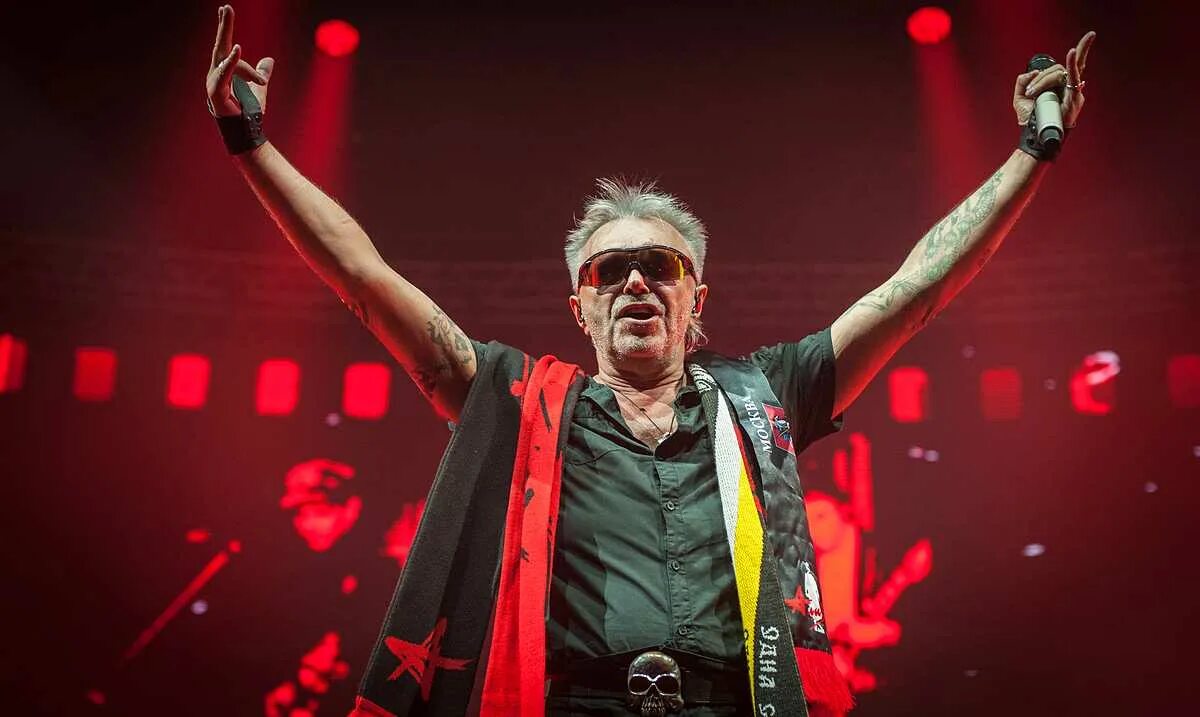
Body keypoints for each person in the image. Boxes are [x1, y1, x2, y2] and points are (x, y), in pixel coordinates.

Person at [204, 5, 1095, 715]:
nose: (635, 281)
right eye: (609, 270)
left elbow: (915, 292)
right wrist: (251, 144)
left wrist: (1030, 153)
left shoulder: (763, 395)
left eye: (659, 265)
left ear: (695, 296)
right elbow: (364, 281)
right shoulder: (518, 398)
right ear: (580, 305)